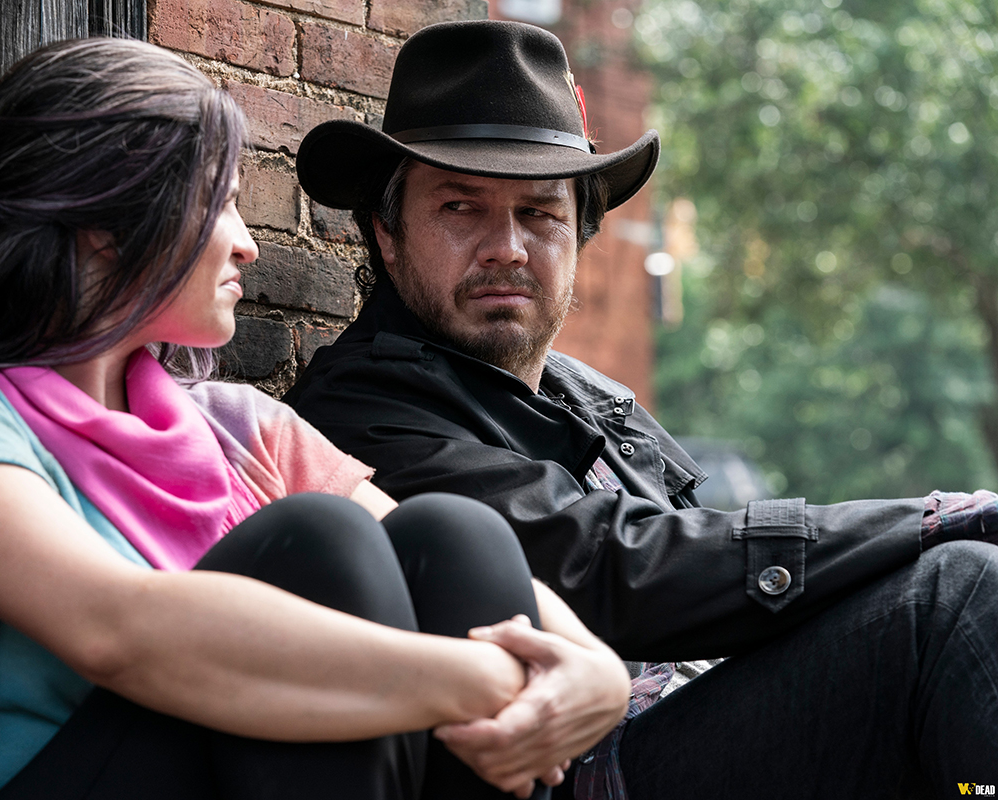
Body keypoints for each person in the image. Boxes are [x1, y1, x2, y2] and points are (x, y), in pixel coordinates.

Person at [0, 37, 634, 800]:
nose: (247, 244)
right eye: (220, 204)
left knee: (453, 532)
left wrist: (594, 673)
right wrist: (484, 681)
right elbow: (115, 631)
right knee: (318, 544)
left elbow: (465, 559)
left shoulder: (230, 426)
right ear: (104, 224)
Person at [284, 19, 998, 799]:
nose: (507, 246)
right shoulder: (356, 412)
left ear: (581, 235)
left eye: (540, 213)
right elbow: (612, 563)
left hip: (701, 730)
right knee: (958, 590)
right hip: (590, 774)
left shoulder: (590, 397)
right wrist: (935, 519)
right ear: (387, 235)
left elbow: (713, 568)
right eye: (461, 207)